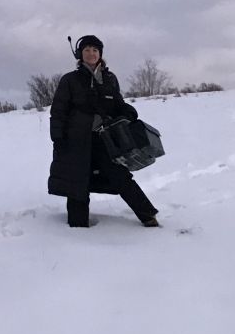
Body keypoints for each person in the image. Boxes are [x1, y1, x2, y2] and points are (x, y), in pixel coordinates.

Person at [48, 34, 159, 228]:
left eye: (95, 50)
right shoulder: (69, 80)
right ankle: (77, 226)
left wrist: (128, 111)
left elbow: (117, 103)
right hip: (77, 139)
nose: (91, 53)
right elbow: (58, 111)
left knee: (121, 176)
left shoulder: (109, 78)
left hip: (106, 139)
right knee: (77, 181)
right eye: (87, 50)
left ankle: (148, 215)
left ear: (100, 54)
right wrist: (58, 137)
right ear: (80, 54)